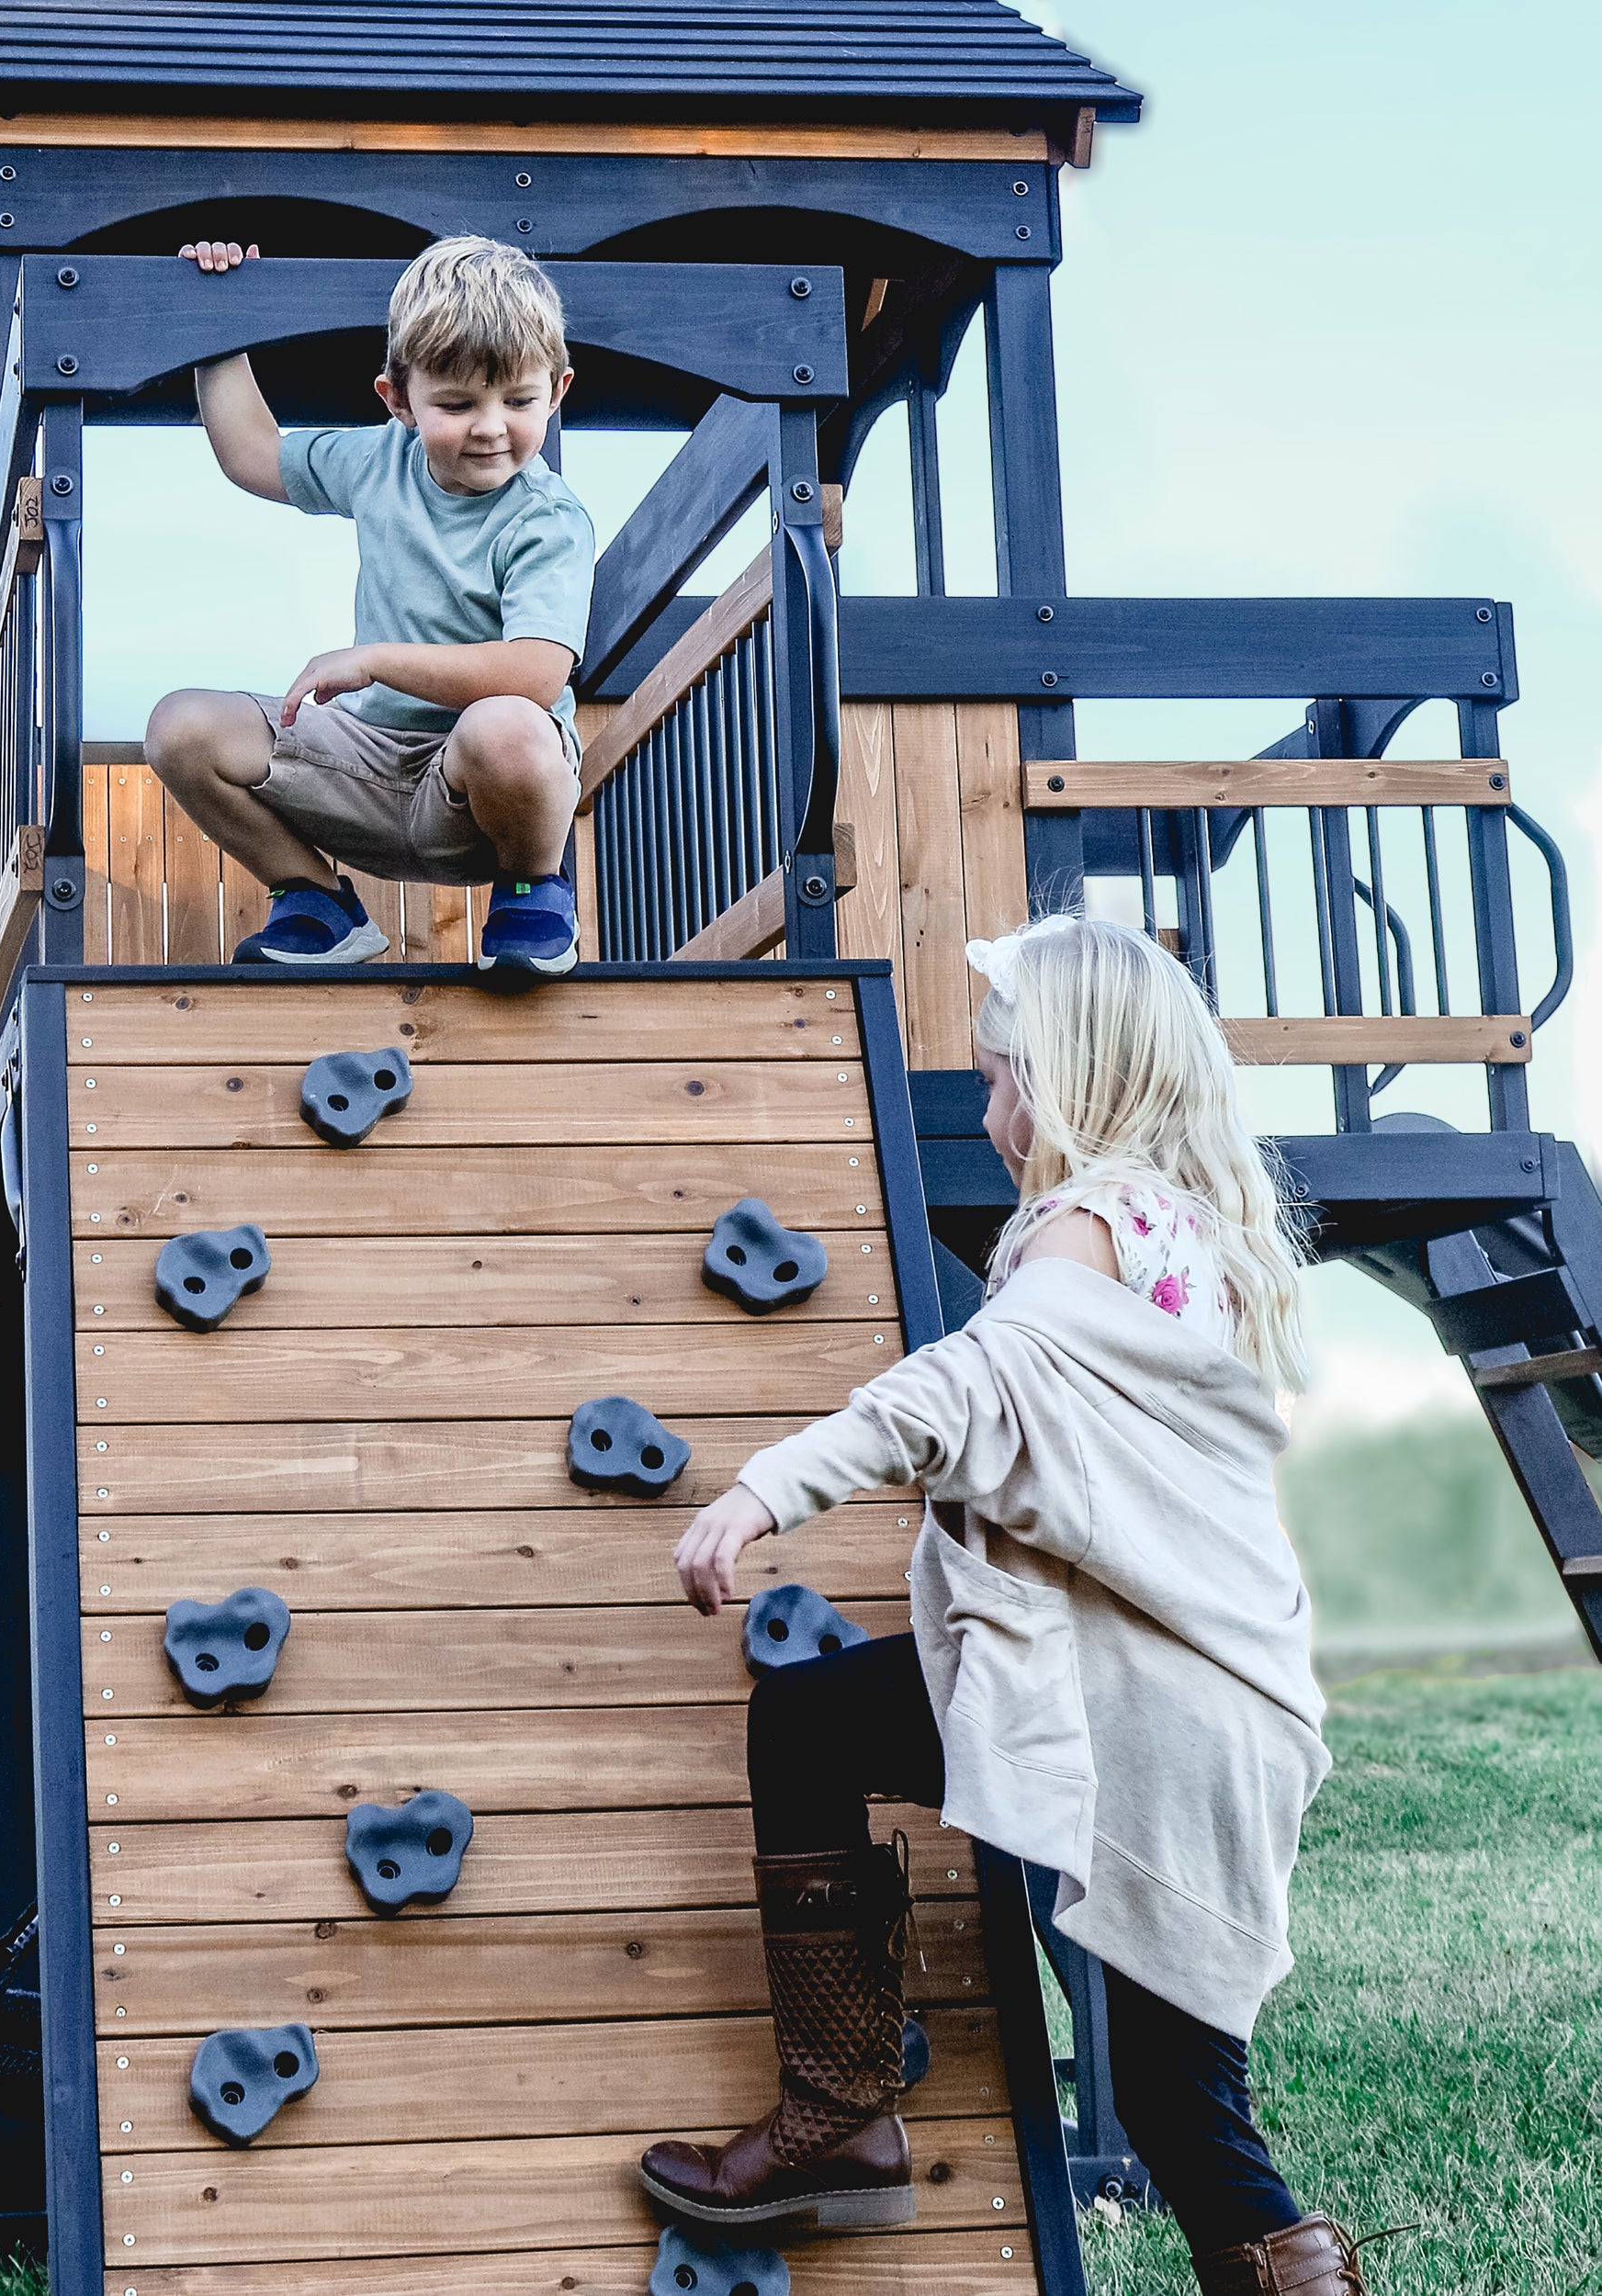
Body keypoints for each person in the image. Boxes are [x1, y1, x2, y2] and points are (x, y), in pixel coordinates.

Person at [638, 916, 1377, 2295]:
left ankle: (843, 2111)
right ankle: (847, 2121)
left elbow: (964, 1390)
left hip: (1143, 1704)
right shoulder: (1186, 1231)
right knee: (1171, 2099)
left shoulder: (1087, 1231)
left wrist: (765, 1491)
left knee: (1176, 2108)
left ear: (1069, 1080)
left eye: (997, 1081)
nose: (984, 1114)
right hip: (1178, 1693)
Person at [146, 234, 594, 980]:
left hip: (483, 793)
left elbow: (538, 676)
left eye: (518, 400)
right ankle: (318, 904)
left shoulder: (547, 518)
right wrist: (217, 321)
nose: (490, 426)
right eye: (456, 403)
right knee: (181, 727)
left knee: (510, 724)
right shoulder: (378, 461)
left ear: (557, 392)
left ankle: (530, 895)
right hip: (369, 771)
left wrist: (374, 660)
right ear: (400, 401)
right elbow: (253, 455)